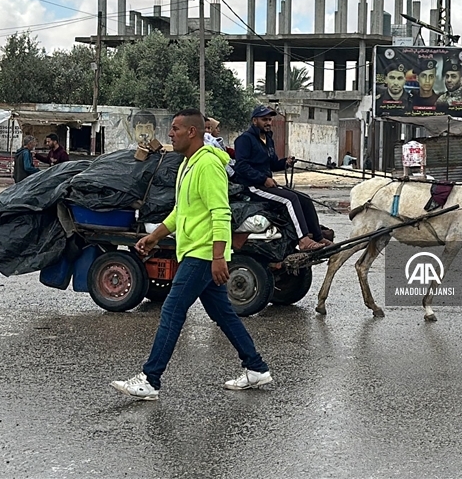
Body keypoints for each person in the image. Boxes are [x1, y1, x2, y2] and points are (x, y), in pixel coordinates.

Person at [111, 109, 272, 400]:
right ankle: (256, 368)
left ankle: (150, 379)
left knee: (172, 311)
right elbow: (180, 212)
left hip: (203, 253)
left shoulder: (207, 165)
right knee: (221, 312)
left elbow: (221, 212)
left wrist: (219, 256)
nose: (170, 134)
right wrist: (153, 237)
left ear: (192, 132)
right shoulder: (188, 165)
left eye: (175, 129)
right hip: (195, 252)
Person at [234, 105, 327, 251]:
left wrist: (285, 163)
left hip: (266, 184)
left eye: (270, 119)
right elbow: (241, 166)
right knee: (290, 199)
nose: (268, 123)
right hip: (252, 187)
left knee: (305, 198)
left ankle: (318, 237)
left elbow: (272, 164)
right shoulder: (244, 140)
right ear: (254, 121)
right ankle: (303, 240)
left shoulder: (268, 140)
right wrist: (263, 179)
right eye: (264, 119)